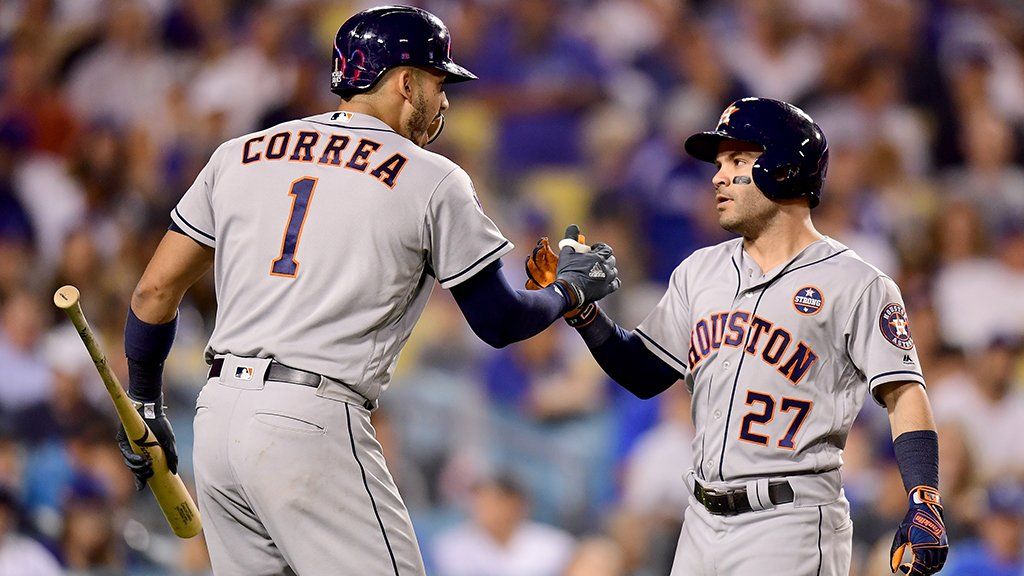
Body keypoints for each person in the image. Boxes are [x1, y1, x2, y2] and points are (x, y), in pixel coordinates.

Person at [114, 6, 620, 576]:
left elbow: (154, 291)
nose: (445, 100)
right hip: (311, 418)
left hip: (216, 419)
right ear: (405, 82)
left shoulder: (239, 154)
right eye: (438, 82)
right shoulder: (431, 176)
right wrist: (570, 290)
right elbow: (499, 321)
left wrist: (145, 403)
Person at [526, 97, 947, 575]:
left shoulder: (856, 283)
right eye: (719, 164)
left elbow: (904, 391)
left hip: (789, 523)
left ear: (784, 169)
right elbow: (644, 374)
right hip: (699, 520)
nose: (718, 177)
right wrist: (584, 312)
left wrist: (923, 498)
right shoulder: (698, 271)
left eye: (738, 161)